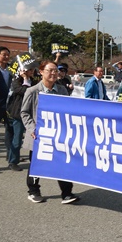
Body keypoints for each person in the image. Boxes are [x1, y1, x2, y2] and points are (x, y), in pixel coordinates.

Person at [20, 61, 79, 204]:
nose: (53, 73)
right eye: (50, 70)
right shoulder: (32, 91)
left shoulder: (62, 90)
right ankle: (33, 191)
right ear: (41, 72)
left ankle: (67, 193)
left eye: (55, 71)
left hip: (57, 134)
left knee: (62, 163)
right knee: (36, 164)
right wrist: (32, 128)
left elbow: (68, 111)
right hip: (38, 135)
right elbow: (24, 112)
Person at [5, 68, 36, 171]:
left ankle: (34, 160)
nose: (31, 71)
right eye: (28, 69)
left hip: (32, 113)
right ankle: (13, 161)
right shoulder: (16, 82)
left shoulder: (35, 82)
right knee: (17, 139)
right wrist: (25, 79)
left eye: (32, 69)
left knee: (34, 138)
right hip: (18, 113)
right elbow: (23, 91)